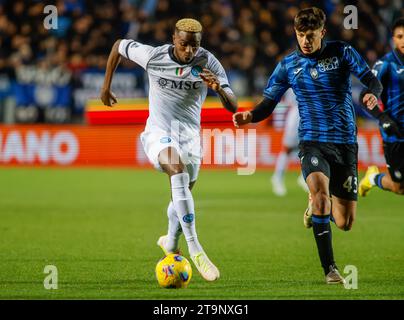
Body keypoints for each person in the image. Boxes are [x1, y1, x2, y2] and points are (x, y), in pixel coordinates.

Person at [233, 7, 382, 284]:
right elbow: (269, 103)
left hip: (345, 143)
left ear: (322, 33)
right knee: (321, 195)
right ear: (295, 33)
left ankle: (315, 210)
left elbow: (371, 80)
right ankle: (331, 270)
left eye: (311, 35)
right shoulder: (288, 66)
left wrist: (373, 93)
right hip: (312, 141)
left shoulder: (342, 52)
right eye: (301, 35)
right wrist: (250, 116)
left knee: (345, 223)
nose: (305, 41)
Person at [100, 18, 238, 281]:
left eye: (194, 46)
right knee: (177, 172)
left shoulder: (208, 62)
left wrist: (219, 89)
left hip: (189, 138)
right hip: (159, 133)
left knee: (183, 192)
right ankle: (196, 249)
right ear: (174, 39)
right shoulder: (154, 57)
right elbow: (119, 45)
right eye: (184, 44)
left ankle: (171, 241)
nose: (189, 51)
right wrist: (106, 87)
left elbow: (233, 106)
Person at [359, 17, 404, 196]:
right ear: (393, 39)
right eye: (400, 36)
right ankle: (373, 178)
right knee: (399, 188)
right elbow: (365, 96)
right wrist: (382, 117)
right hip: (395, 135)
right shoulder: (386, 64)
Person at [271, 89, 308, 196]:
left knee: (310, 146)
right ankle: (277, 177)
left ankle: (304, 176)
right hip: (296, 112)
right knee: (288, 147)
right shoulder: (292, 72)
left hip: (310, 112)